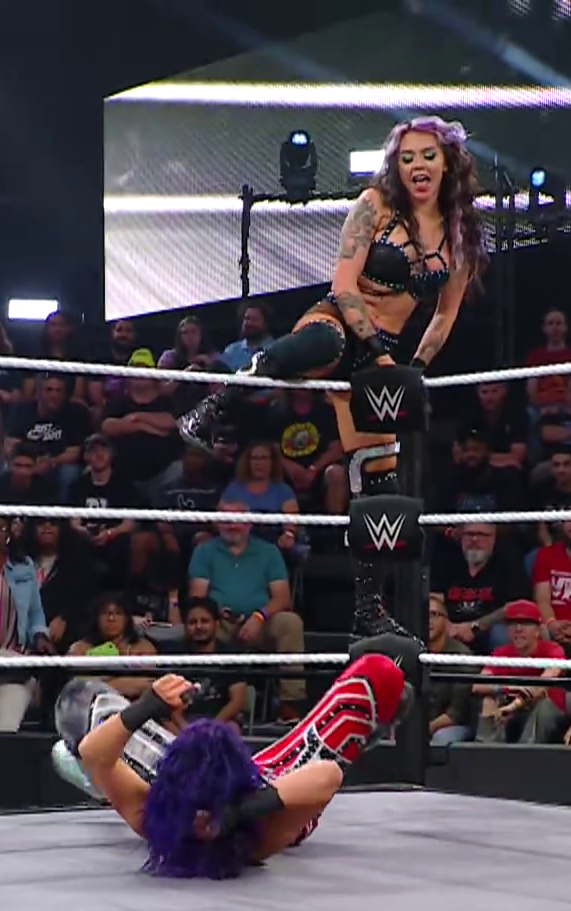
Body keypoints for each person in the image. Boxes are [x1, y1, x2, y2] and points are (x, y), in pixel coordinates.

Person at [175, 116, 489, 637]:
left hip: (381, 358)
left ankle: (368, 609)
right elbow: (344, 285)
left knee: (381, 486)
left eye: (428, 155)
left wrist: (412, 371)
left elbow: (444, 315)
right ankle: (213, 406)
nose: (417, 165)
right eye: (407, 157)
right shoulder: (374, 206)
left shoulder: (458, 234)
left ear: (448, 162)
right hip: (339, 322)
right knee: (327, 342)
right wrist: (379, 354)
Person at [50, 652, 408, 877]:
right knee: (379, 675)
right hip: (274, 788)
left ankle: (96, 781)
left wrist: (149, 704)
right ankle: (363, 735)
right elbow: (327, 775)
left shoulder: (150, 813)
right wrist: (241, 811)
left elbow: (92, 752)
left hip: (258, 787)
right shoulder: (261, 833)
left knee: (73, 749)